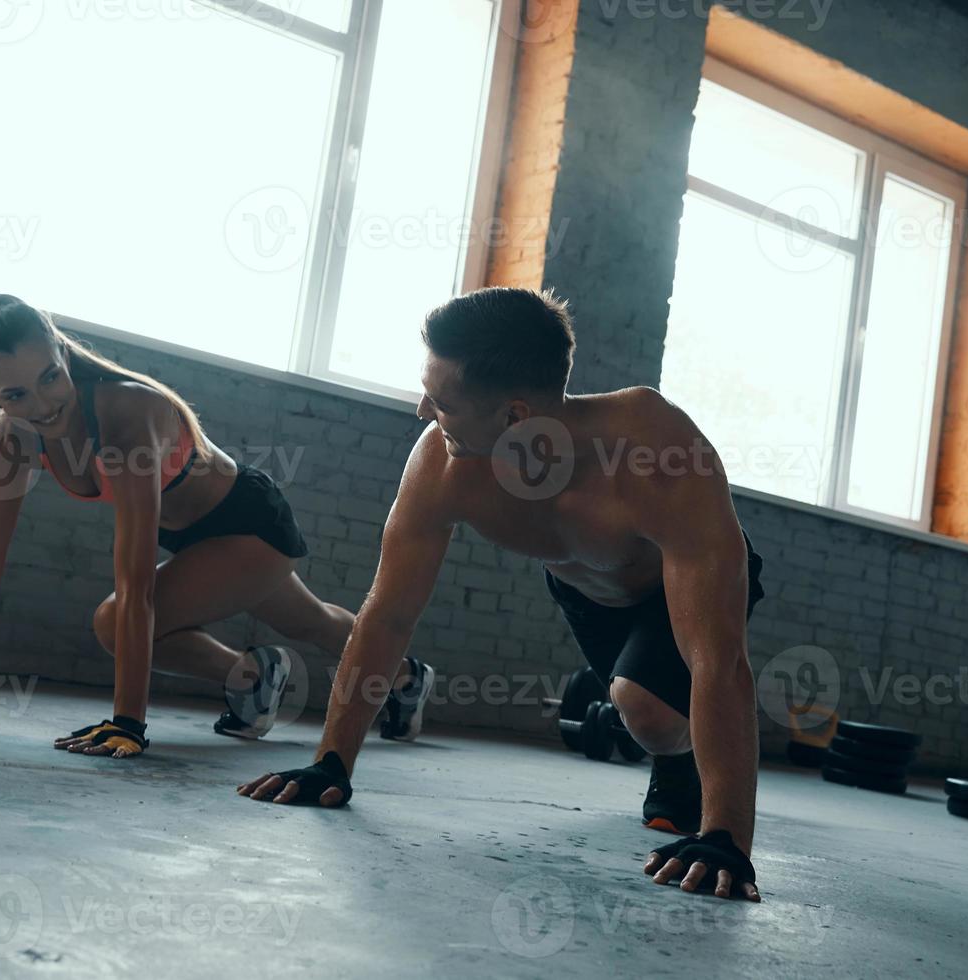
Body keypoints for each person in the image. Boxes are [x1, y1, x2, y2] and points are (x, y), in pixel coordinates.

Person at [237, 287, 767, 902]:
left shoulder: (654, 453)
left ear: (515, 415)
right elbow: (387, 616)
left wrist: (728, 838)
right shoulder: (443, 463)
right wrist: (331, 762)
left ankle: (681, 760)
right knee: (639, 712)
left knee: (644, 707)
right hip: (585, 592)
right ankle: (668, 745)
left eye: (441, 403)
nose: (421, 412)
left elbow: (719, 659)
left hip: (680, 583)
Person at [0, 294, 436, 754]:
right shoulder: (14, 441)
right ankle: (395, 678)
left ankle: (257, 676)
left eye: (51, 376)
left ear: (61, 349)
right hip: (191, 538)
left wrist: (129, 722)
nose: (44, 404)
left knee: (113, 620)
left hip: (248, 522)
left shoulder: (128, 417)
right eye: (17, 394)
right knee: (316, 622)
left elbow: (136, 583)